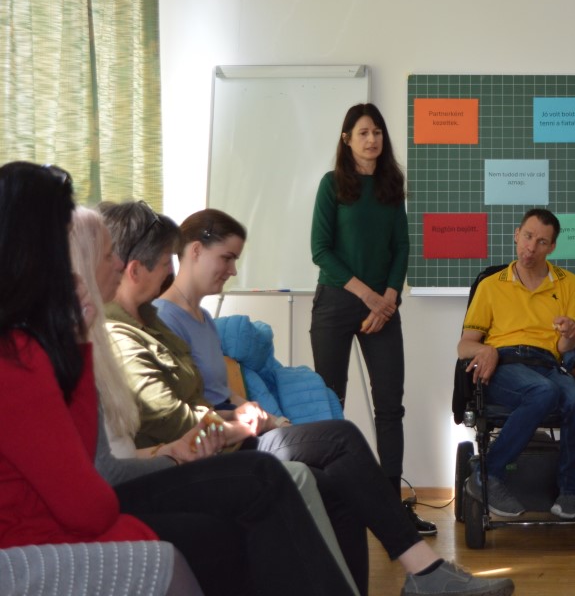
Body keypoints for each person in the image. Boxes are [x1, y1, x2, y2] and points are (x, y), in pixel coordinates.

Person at [99, 200, 513, 596]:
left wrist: (249, 412)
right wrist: (246, 423)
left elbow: (207, 396)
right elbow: (178, 418)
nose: (231, 269)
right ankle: (424, 569)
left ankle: (411, 574)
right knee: (340, 440)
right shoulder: (141, 326)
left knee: (339, 481)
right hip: (218, 443)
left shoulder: (167, 322)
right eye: (226, 258)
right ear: (136, 269)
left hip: (227, 431)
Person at [71, 205, 359, 596]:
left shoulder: (148, 322)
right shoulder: (113, 334)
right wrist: (236, 428)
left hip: (192, 446)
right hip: (181, 456)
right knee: (274, 482)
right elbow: (163, 424)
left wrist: (236, 415)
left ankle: (407, 569)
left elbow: (189, 406)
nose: (118, 264)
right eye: (109, 257)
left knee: (335, 459)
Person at [0, 162, 202, 596]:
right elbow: (90, 502)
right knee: (172, 556)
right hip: (20, 551)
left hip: (40, 530)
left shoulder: (27, 344)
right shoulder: (16, 356)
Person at [308, 103, 436, 534]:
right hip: (336, 302)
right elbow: (320, 250)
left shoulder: (390, 186)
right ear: (347, 139)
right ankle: (328, 504)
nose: (372, 139)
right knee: (330, 405)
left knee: (390, 407)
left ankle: (391, 507)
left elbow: (402, 247)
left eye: (377, 131)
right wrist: (370, 297)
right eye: (363, 132)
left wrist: (389, 299)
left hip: (384, 304)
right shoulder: (331, 185)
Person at [458, 208, 575, 520]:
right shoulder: (491, 285)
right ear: (516, 235)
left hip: (546, 364)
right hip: (504, 365)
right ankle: (487, 474)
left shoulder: (569, 284)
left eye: (542, 242)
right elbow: (464, 345)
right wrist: (487, 350)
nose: (531, 247)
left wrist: (570, 335)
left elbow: (564, 349)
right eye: (528, 237)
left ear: (552, 247)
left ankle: (570, 493)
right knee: (543, 391)